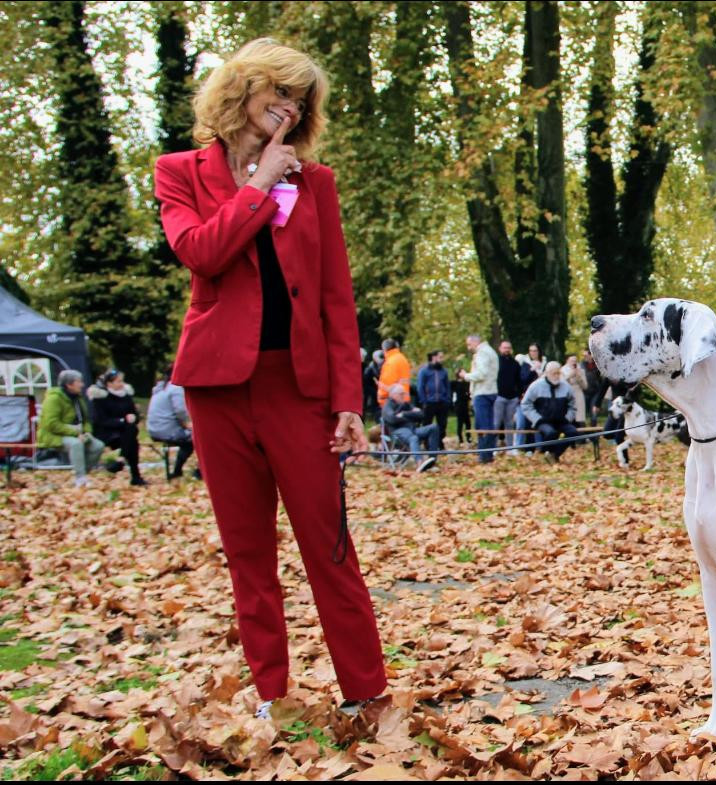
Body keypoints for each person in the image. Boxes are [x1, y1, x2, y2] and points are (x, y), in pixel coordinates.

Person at [153, 38, 384, 719]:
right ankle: (271, 696)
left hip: (299, 387)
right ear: (243, 88)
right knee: (248, 553)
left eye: (299, 100)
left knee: (329, 544)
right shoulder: (179, 173)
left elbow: (336, 299)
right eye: (278, 92)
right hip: (217, 389)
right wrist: (257, 185)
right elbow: (202, 252)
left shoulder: (317, 183)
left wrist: (348, 400)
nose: (288, 107)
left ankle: (366, 691)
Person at [37, 370, 105, 487]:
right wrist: (75, 432)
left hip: (76, 433)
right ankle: (80, 478)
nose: (82, 385)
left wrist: (87, 432)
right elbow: (52, 424)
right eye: (79, 382)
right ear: (69, 385)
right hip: (53, 435)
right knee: (76, 444)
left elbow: (86, 420)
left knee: (98, 446)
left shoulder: (78, 398)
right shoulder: (54, 399)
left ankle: (81, 472)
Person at [88, 369, 146, 486]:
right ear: (109, 384)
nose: (122, 384)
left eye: (122, 381)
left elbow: (135, 415)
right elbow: (101, 421)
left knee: (131, 434)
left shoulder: (126, 396)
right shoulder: (101, 398)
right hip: (107, 432)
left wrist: (133, 417)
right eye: (118, 381)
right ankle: (135, 475)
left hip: (125, 432)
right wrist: (122, 421)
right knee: (131, 437)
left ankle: (122, 461)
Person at [147, 366, 199, 481]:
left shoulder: (160, 388)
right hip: (168, 430)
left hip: (154, 429)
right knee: (199, 436)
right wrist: (186, 423)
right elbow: (180, 411)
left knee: (191, 437)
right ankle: (188, 471)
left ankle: (179, 470)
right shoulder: (175, 388)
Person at [520, 361, 579, 463]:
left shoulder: (566, 386)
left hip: (561, 420)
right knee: (551, 433)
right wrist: (537, 418)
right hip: (543, 420)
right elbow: (525, 404)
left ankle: (554, 454)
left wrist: (568, 417)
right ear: (547, 373)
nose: (556, 376)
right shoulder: (536, 386)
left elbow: (572, 405)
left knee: (573, 432)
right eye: (553, 373)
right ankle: (548, 452)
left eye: (558, 373)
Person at [381, 385, 439, 473]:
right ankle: (420, 463)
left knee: (433, 427)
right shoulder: (388, 406)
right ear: (394, 395)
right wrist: (411, 415)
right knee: (413, 438)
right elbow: (392, 419)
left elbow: (421, 414)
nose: (404, 396)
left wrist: (404, 414)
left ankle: (432, 460)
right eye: (401, 394)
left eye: (404, 394)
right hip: (398, 432)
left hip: (413, 430)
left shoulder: (405, 405)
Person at [459, 334, 498, 463]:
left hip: (482, 393)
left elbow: (481, 374)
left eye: (469, 344)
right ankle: (488, 454)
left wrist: (465, 375)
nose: (468, 347)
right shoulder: (490, 351)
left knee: (482, 426)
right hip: (490, 391)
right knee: (488, 425)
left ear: (475, 342)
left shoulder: (482, 353)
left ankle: (484, 456)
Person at [494, 341, 523, 452]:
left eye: (508, 348)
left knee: (509, 423)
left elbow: (519, 380)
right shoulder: (496, 362)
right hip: (499, 396)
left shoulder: (515, 364)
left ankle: (510, 447)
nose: (506, 350)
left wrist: (519, 394)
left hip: (512, 398)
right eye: (504, 348)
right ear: (500, 348)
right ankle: (494, 447)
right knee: (496, 423)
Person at [416, 350, 451, 440]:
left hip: (442, 402)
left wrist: (447, 399)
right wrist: (424, 401)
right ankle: (427, 444)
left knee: (442, 424)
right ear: (434, 357)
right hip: (429, 402)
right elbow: (420, 386)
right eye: (440, 357)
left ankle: (440, 443)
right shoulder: (424, 371)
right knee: (427, 424)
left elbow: (447, 386)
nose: (442, 359)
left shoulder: (444, 371)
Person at [376, 339, 411, 407]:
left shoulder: (391, 362)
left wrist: (382, 398)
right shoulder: (402, 358)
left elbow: (388, 382)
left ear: (384, 349)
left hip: (392, 401)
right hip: (403, 398)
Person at [563, 354, 588, 427]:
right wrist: (569, 375)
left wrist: (579, 377)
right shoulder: (562, 370)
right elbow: (560, 383)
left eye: (575, 361)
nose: (574, 363)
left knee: (579, 418)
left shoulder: (581, 371)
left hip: (578, 394)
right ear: (567, 361)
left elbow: (585, 386)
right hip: (566, 395)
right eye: (572, 361)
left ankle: (581, 436)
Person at [582, 350, 604, 426]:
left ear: (591, 355)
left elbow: (601, 379)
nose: (584, 357)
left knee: (593, 411)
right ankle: (584, 432)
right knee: (584, 412)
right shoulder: (582, 365)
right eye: (583, 356)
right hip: (585, 391)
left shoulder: (597, 365)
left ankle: (594, 433)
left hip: (595, 391)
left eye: (586, 355)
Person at [362, 349, 383, 421]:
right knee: (373, 406)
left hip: (379, 389)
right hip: (372, 389)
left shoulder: (382, 365)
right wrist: (373, 391)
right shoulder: (370, 367)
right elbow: (366, 381)